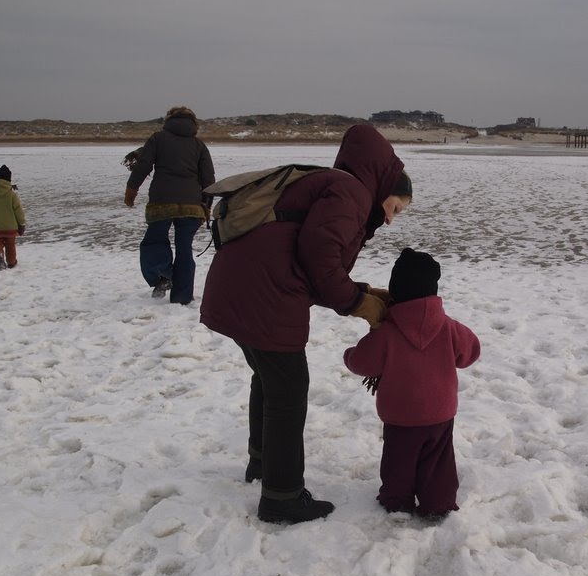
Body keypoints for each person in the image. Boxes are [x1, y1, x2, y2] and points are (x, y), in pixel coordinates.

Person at [200, 124, 412, 524]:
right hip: (265, 296)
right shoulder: (352, 193)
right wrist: (359, 304)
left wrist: (365, 291)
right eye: (396, 209)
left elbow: (307, 260)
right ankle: (282, 497)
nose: (390, 221)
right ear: (384, 187)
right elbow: (319, 258)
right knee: (289, 390)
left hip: (243, 289)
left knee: (269, 379)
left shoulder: (337, 186)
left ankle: (262, 464)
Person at [343, 248, 480, 519]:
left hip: (401, 416)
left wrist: (348, 354)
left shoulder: (387, 333)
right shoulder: (449, 327)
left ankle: (397, 501)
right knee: (438, 462)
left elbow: (361, 362)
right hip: (440, 413)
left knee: (399, 461)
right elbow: (471, 351)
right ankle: (438, 502)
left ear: (395, 292)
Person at [124, 106, 215, 304]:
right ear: (193, 123)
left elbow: (143, 165)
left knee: (154, 241)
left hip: (161, 202)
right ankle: (182, 297)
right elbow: (208, 179)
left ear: (168, 120)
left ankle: (163, 275)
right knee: (184, 249)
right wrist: (206, 207)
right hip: (192, 205)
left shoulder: (157, 138)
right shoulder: (199, 145)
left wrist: (131, 189)